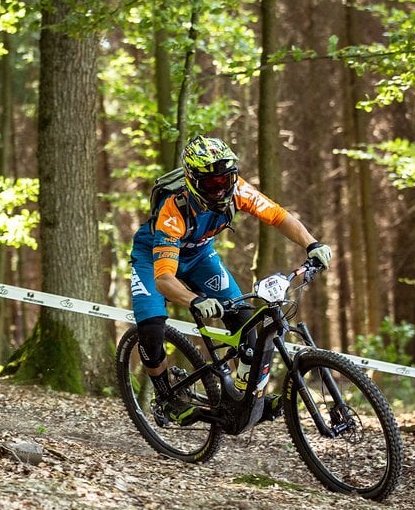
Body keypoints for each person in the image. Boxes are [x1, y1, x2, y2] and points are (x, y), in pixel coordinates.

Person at [129, 134, 332, 426]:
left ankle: (243, 396)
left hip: (199, 256)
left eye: (226, 179)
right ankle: (166, 397)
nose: (221, 188)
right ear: (193, 181)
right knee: (151, 326)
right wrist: (195, 300)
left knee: (246, 321)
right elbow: (164, 280)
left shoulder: (237, 190)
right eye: (213, 184)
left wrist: (312, 244)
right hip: (153, 260)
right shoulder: (173, 210)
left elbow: (278, 216)